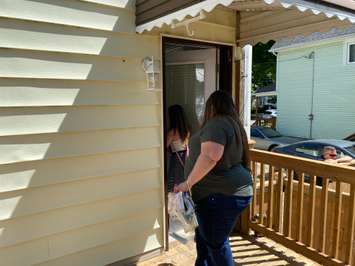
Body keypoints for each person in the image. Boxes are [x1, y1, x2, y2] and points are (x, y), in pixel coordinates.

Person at [175, 90, 253, 266]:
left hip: (218, 196)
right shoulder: (234, 125)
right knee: (204, 237)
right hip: (223, 194)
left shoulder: (216, 124)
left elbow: (211, 157)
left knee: (216, 243)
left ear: (211, 107)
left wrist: (186, 184)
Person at [166, 104, 190, 192]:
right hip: (184, 160)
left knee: (172, 187)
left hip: (175, 161)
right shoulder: (186, 130)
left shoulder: (172, 132)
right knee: (182, 186)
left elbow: (163, 147)